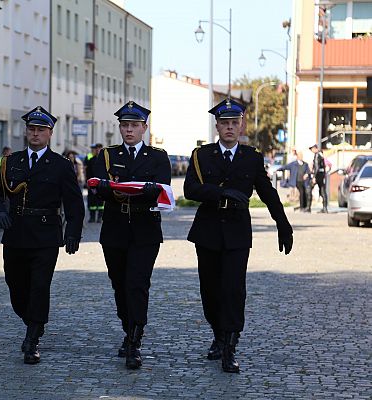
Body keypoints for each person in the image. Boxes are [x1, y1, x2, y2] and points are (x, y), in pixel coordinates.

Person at [184, 99, 293, 374]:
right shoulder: (202, 155)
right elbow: (190, 189)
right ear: (217, 126)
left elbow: (268, 192)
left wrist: (283, 223)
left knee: (233, 290)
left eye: (235, 123)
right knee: (209, 291)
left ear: (241, 125)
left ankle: (230, 347)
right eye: (225, 123)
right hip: (207, 230)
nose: (230, 128)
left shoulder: (252, 157)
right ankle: (218, 335)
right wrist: (219, 193)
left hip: (236, 232)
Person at [0, 106, 84, 365]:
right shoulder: (11, 162)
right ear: (26, 131)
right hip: (15, 231)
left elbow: (74, 203)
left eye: (41, 129)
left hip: (46, 234)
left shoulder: (61, 165)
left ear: (50, 133)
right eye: (32, 129)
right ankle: (32, 320)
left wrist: (73, 232)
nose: (35, 133)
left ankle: (32, 339)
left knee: (40, 286)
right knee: (16, 286)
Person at [92, 101, 171, 370]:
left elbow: (162, 187)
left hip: (145, 228)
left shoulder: (158, 156)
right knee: (119, 284)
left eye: (134, 126)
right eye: (125, 125)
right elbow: (97, 185)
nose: (129, 130)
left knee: (137, 283)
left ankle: (135, 340)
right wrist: (109, 188)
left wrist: (142, 191)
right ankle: (128, 327)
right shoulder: (107, 155)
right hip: (115, 228)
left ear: (144, 128)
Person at [85, 143, 104, 223]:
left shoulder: (104, 160)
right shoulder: (91, 160)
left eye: (99, 149)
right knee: (92, 201)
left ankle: (100, 217)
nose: (97, 150)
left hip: (101, 183)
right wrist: (87, 182)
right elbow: (87, 171)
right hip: (92, 183)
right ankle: (92, 217)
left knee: (100, 201)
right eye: (96, 149)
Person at [309, 144, 329, 213]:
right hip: (322, 174)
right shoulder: (321, 154)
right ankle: (325, 208)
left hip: (318, 175)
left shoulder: (317, 155)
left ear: (314, 148)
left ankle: (308, 207)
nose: (311, 151)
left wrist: (314, 177)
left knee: (309, 189)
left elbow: (317, 167)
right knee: (323, 191)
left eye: (311, 149)